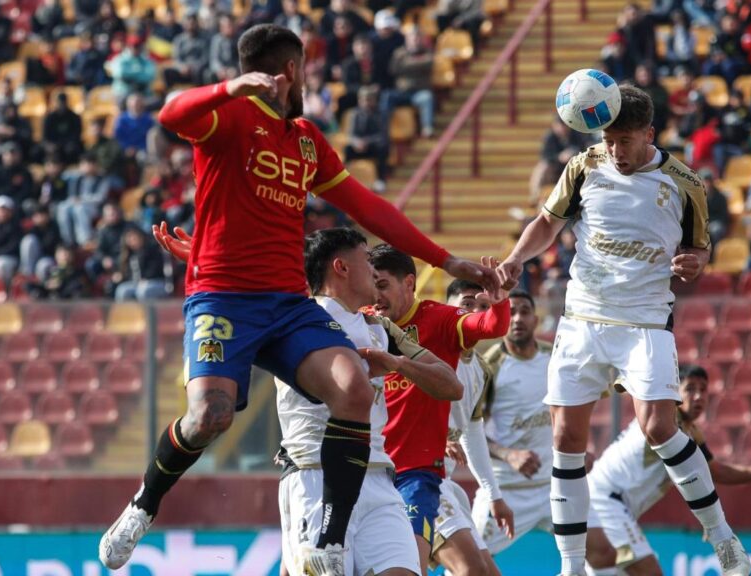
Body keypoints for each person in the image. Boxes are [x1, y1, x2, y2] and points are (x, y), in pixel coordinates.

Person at [100, 24, 496, 575]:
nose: (307, 79)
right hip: (222, 299)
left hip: (288, 305)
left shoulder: (306, 139)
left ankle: (330, 539)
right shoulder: (229, 117)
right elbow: (170, 114)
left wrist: (444, 259)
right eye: (305, 69)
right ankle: (144, 505)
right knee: (210, 415)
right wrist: (230, 88)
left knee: (352, 388)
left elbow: (368, 207)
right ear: (291, 70)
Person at [495, 85, 751, 576]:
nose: (615, 151)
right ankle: (571, 567)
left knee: (660, 428)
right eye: (609, 140)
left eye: (625, 141)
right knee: (566, 438)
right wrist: (514, 259)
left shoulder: (685, 183)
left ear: (649, 134)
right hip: (583, 319)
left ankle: (721, 535)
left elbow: (700, 248)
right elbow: (547, 223)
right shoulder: (583, 166)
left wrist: (696, 262)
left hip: (645, 320)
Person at [279, 227, 460, 576]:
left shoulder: (379, 328)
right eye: (366, 259)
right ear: (341, 267)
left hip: (378, 478)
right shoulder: (298, 317)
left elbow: (451, 385)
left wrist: (397, 364)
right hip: (315, 475)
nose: (374, 270)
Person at [369, 245, 510, 569]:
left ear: (409, 283)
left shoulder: (441, 320)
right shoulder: (363, 321)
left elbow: (491, 327)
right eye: (371, 285)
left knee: (472, 570)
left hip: (418, 473)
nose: (376, 296)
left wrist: (500, 302)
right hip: (370, 468)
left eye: (383, 285)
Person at [585, 366, 751, 576]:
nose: (698, 396)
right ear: (675, 391)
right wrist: (711, 522)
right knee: (649, 572)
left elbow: (715, 471)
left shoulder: (686, 430)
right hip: (605, 499)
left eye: (703, 390)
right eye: (690, 389)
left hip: (606, 501)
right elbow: (700, 474)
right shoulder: (664, 420)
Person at [472, 291, 567, 561]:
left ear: (536, 319)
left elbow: (574, 408)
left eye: (524, 311)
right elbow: (469, 432)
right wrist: (509, 455)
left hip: (554, 486)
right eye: (511, 312)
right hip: (506, 489)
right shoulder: (488, 366)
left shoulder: (555, 357)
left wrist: (582, 449)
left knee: (601, 550)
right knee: (470, 565)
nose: (517, 319)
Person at [433, 280, 515, 576]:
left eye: (484, 306)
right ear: (446, 309)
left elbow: (472, 431)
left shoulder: (480, 368)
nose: (476, 313)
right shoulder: (426, 354)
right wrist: (434, 440)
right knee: (470, 570)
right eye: (467, 304)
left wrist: (494, 495)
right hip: (412, 476)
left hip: (443, 482)